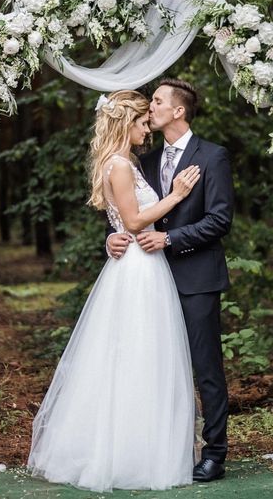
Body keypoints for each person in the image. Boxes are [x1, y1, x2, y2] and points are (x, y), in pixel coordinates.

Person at [28, 89, 201, 492]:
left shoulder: (127, 164)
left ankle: (142, 447)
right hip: (138, 270)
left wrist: (117, 236)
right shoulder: (120, 165)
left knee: (140, 357)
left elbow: (124, 225)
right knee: (134, 355)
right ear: (127, 123)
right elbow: (135, 221)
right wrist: (176, 195)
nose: (148, 129)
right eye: (143, 123)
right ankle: (125, 454)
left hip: (143, 264)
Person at [107, 79, 234, 483]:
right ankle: (170, 447)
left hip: (196, 277)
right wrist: (110, 237)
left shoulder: (212, 157)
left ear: (178, 111)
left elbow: (219, 219)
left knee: (205, 367)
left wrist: (171, 238)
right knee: (154, 365)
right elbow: (129, 212)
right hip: (148, 280)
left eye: (158, 101)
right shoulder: (141, 161)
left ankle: (215, 453)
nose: (151, 107)